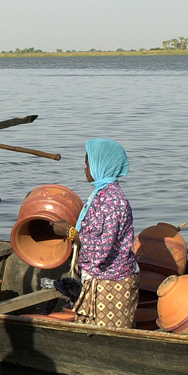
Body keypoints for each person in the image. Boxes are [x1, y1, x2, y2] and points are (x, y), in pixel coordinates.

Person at [52, 139, 139, 329]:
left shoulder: (112, 201)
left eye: (88, 164)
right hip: (101, 278)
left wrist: (69, 232)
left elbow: (100, 249)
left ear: (102, 166)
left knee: (107, 336)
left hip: (111, 282)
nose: (85, 170)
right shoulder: (101, 195)